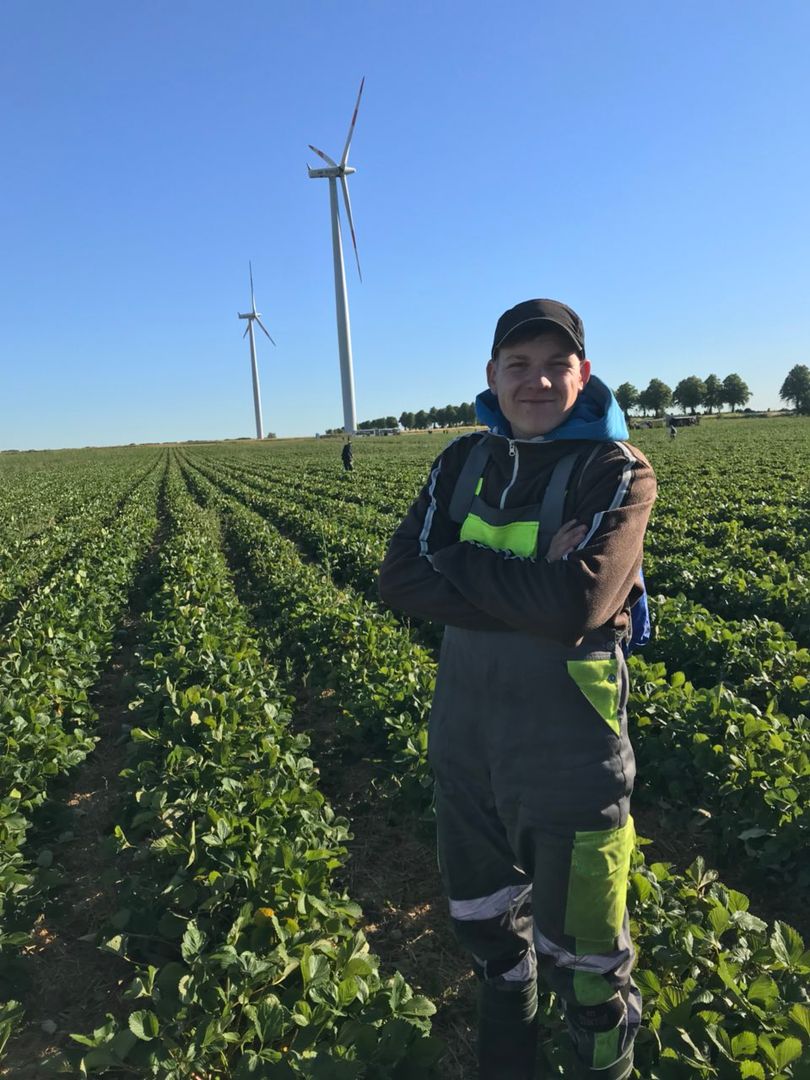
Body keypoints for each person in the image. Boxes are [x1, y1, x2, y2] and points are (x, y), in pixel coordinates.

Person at [378, 299, 656, 1079]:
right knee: (487, 929)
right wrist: (535, 578)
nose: (537, 381)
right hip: (466, 746)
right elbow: (399, 580)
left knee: (589, 967)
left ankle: (601, 1059)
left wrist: (459, 559)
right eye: (519, 365)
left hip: (572, 761)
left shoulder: (617, 470)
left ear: (583, 375)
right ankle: (508, 1048)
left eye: (555, 365)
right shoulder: (461, 461)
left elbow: (578, 606)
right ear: (493, 375)